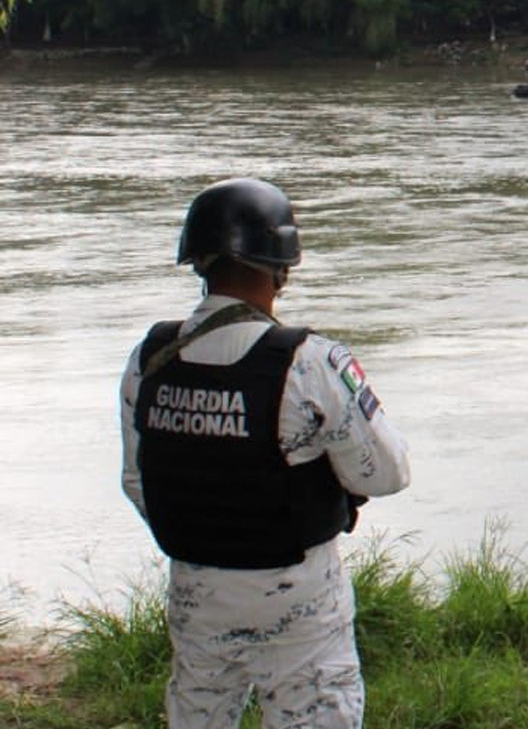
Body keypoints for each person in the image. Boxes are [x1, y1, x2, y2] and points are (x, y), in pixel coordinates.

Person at [120, 177, 410, 728]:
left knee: (200, 714)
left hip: (196, 588)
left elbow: (139, 481)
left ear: (198, 262)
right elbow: (387, 474)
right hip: (299, 595)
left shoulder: (150, 357)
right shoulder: (309, 363)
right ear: (282, 268)